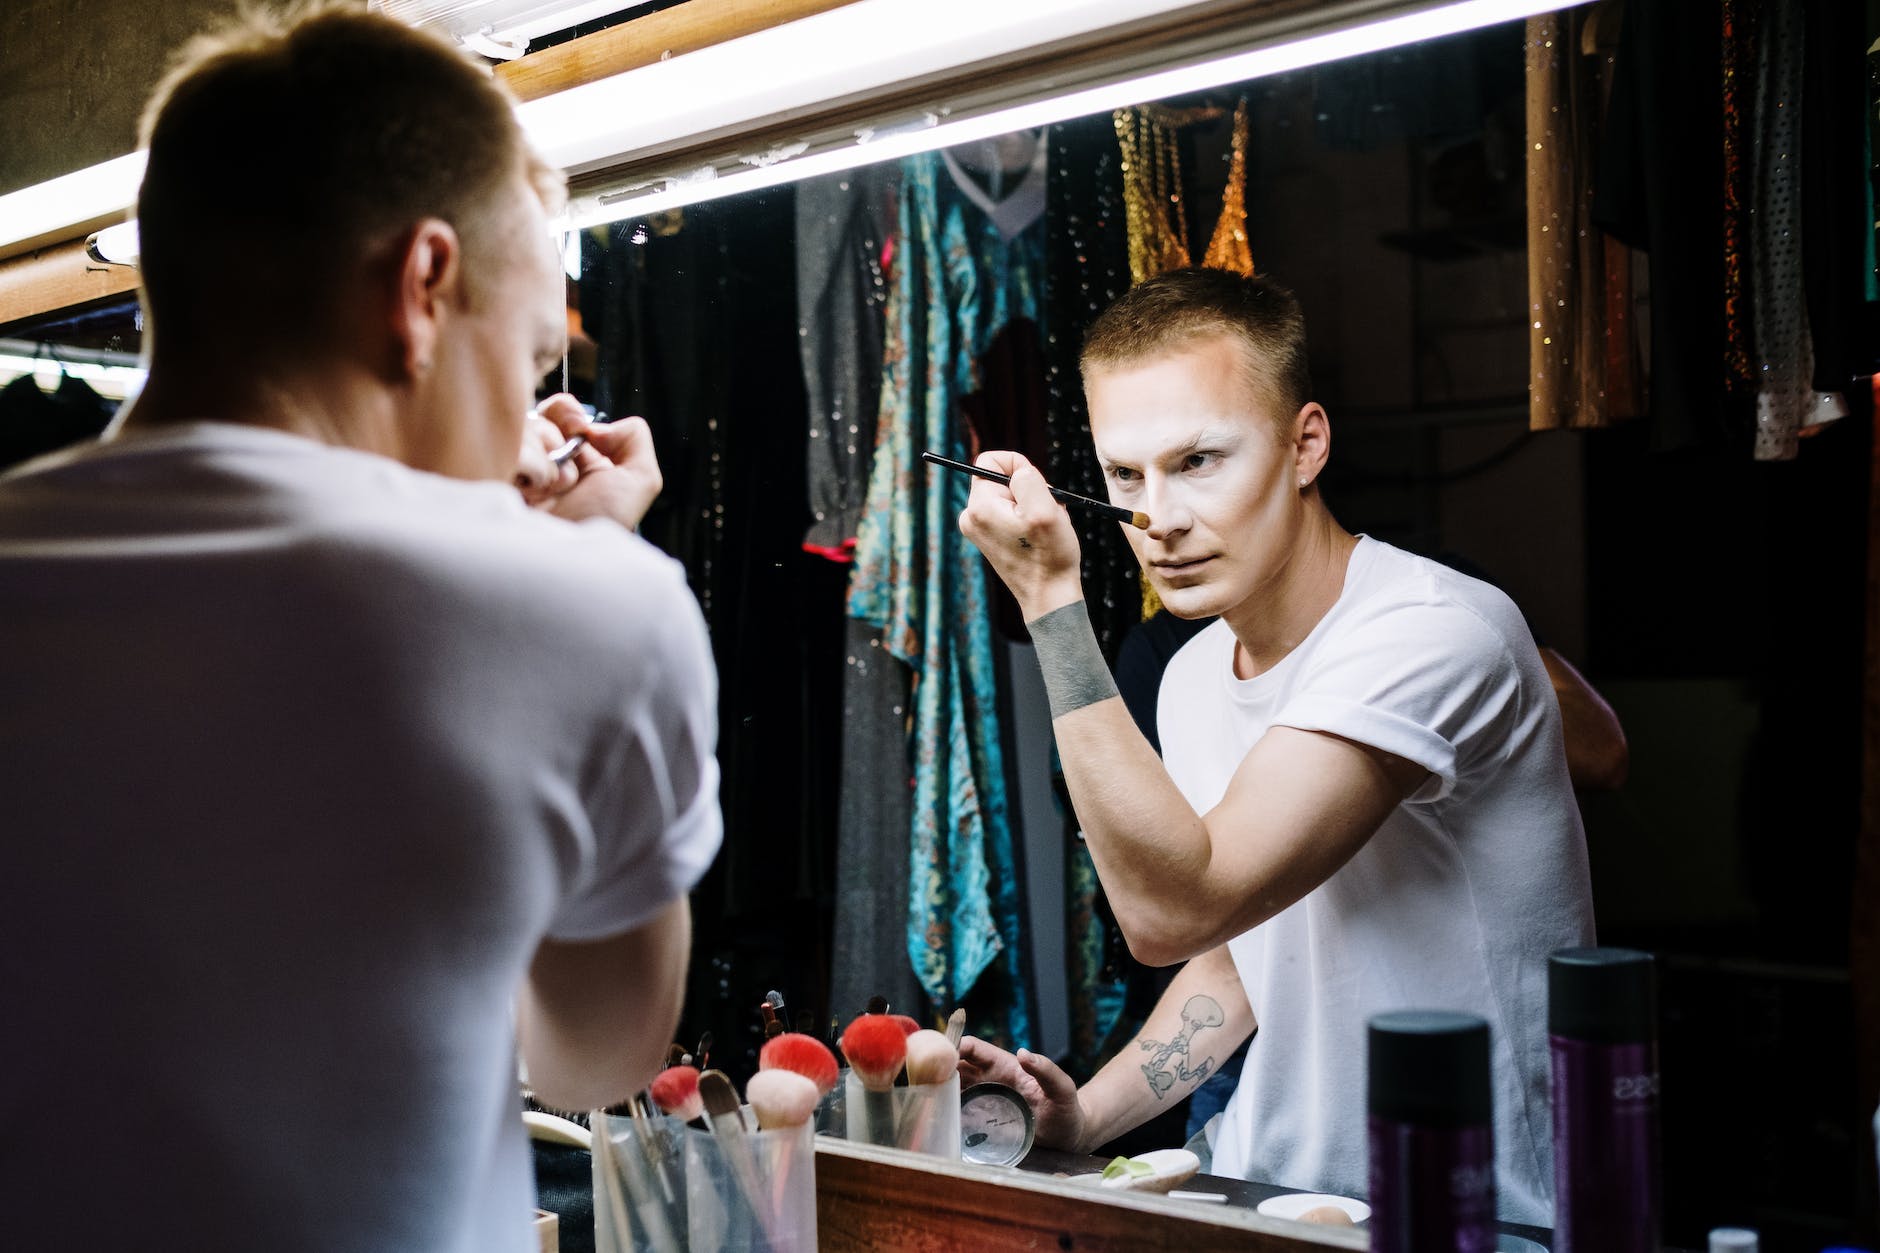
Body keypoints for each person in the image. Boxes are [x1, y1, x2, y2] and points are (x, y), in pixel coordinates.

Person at [0, 8, 718, 1251]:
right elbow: (595, 1054)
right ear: (423, 287)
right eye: (526, 355)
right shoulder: (589, 604)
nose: (528, 424)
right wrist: (590, 558)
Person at [954, 267, 1594, 1226]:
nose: (1156, 518)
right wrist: (1085, 1116)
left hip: (1469, 1212)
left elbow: (1172, 912)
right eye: (1126, 475)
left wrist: (1052, 607)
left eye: (1200, 460)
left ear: (1306, 445)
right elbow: (1236, 953)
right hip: (1261, 1188)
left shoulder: (1433, 630)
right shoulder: (1190, 675)